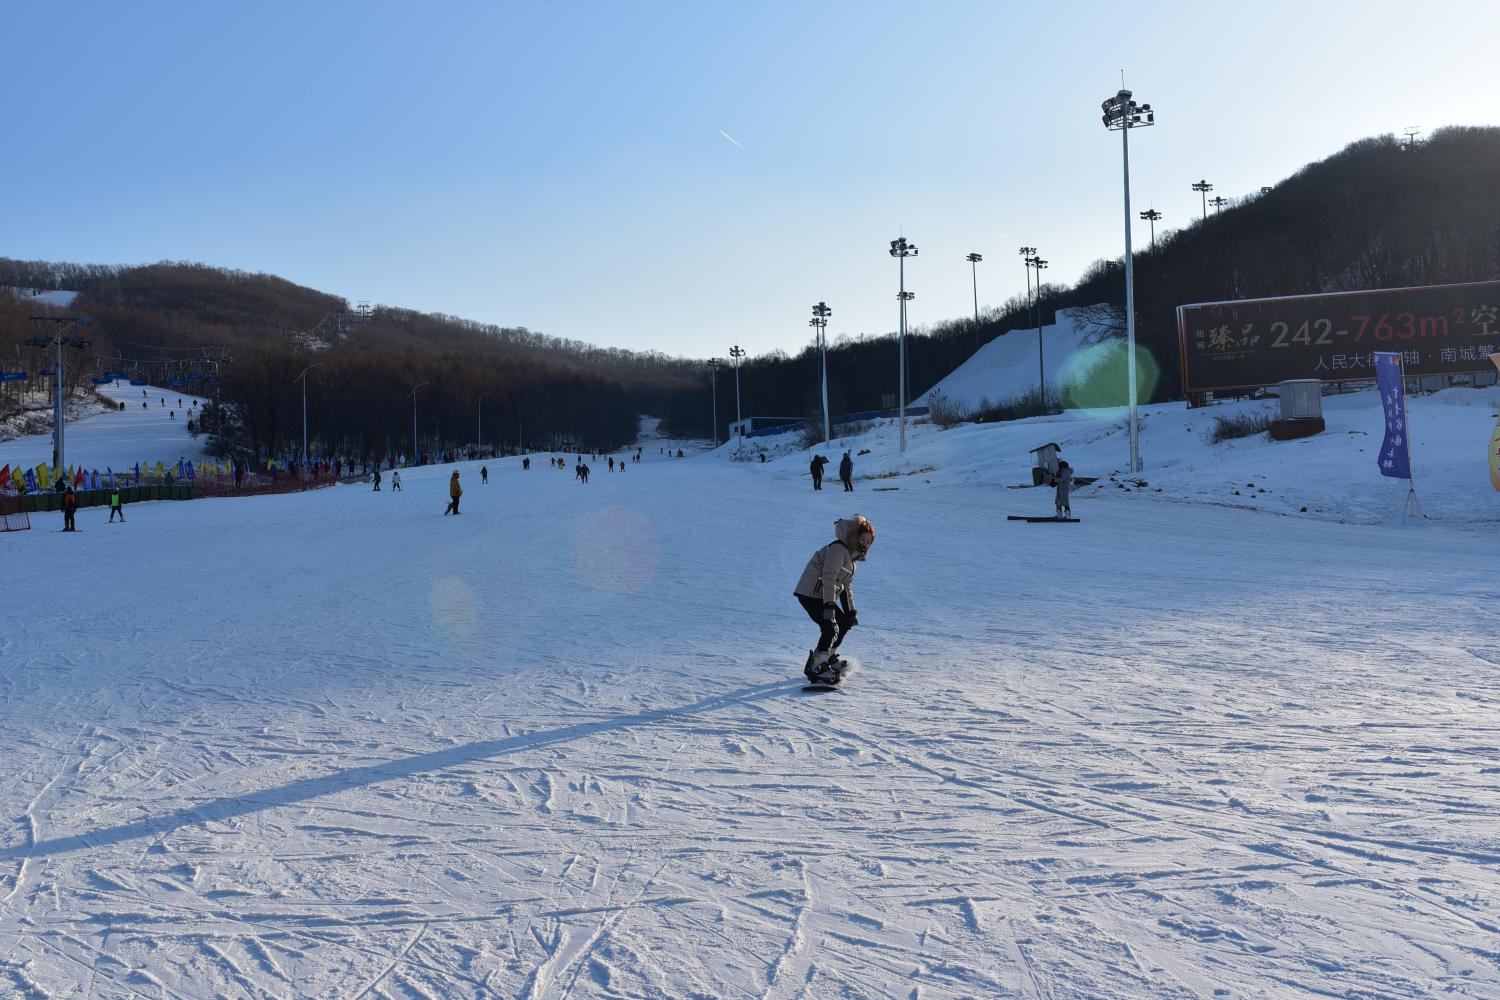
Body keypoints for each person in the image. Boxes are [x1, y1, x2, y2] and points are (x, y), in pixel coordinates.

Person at [793, 514, 876, 684]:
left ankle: (827, 659)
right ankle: (816, 666)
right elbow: (829, 577)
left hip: (822, 595)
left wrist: (850, 611)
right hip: (810, 594)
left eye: (869, 541)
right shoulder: (838, 549)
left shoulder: (851, 558)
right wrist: (830, 605)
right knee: (830, 628)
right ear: (854, 536)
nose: (865, 544)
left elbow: (846, 586)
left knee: (844, 623)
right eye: (863, 539)